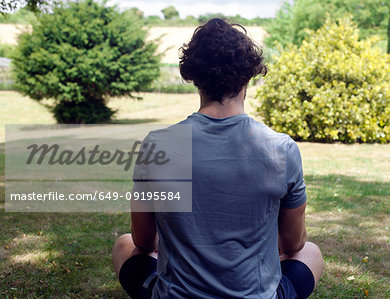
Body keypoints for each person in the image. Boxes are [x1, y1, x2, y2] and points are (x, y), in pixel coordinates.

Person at [112, 18, 324, 299]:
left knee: (124, 245)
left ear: (195, 78)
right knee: (311, 252)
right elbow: (294, 244)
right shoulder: (281, 149)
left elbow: (143, 241)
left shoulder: (158, 145)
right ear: (248, 77)